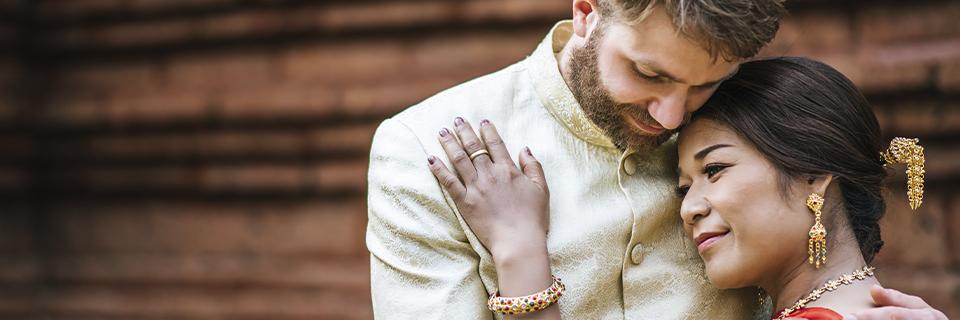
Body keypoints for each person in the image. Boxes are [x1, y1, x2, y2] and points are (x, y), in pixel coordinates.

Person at [366, 0, 944, 318]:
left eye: (705, 85)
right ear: (588, 10)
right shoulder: (424, 150)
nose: (671, 118)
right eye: (649, 73)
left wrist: (520, 259)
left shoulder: (740, 124)